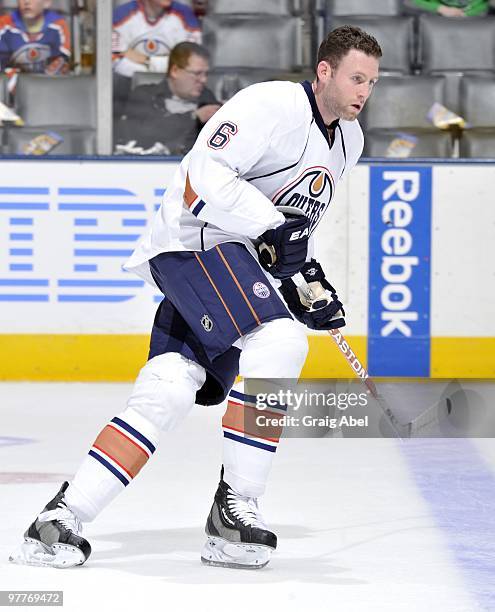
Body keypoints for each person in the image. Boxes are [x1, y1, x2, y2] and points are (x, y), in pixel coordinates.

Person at [10, 25, 381, 570]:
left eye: (372, 81)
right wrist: (274, 231)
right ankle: (235, 512)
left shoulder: (349, 141)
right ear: (324, 71)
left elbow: (292, 230)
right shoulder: (270, 104)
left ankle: (60, 520)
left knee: (167, 390)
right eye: (355, 77)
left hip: (232, 263)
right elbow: (202, 177)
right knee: (278, 339)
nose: (364, 91)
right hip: (194, 242)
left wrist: (304, 280)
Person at [115, 42, 220, 156]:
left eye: (206, 74)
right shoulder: (145, 94)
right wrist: (194, 117)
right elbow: (143, 132)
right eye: (197, 73)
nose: (203, 80)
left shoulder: (208, 100)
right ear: (175, 71)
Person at [112, 0, 201, 79]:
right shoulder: (121, 15)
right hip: (127, 88)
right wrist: (148, 75)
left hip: (173, 87)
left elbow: (189, 62)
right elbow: (114, 60)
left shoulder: (185, 15)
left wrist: (148, 61)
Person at [0, 0, 70, 75]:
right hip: (13, 82)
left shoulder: (59, 26)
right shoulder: (4, 25)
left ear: (47, 2)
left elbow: (64, 61)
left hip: (49, 82)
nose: (26, 2)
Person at [406, 0, 489, 16]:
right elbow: (410, 1)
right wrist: (441, 8)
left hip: (474, 20)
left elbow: (485, 5)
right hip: (438, 20)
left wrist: (464, 14)